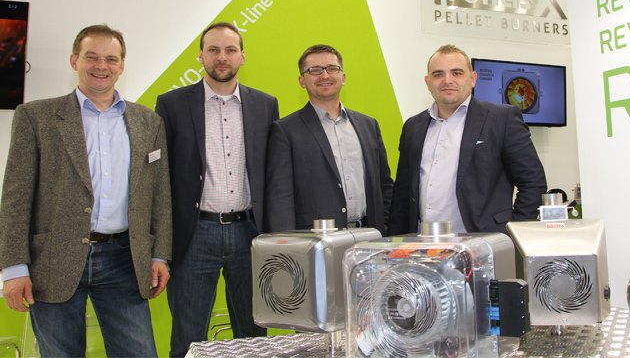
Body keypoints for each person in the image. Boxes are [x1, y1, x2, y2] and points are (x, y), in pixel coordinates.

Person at [0, 24, 172, 357]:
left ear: (122, 66)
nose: (101, 66)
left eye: (111, 59)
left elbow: (159, 196)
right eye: (91, 57)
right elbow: (15, 200)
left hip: (124, 259)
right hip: (54, 259)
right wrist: (14, 267)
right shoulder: (36, 117)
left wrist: (159, 255)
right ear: (74, 60)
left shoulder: (148, 122)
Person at [155, 22, 279, 357]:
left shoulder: (265, 105)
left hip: (249, 234)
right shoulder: (171, 104)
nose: (221, 57)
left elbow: (272, 174)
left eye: (229, 50)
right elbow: (160, 180)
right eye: (213, 50)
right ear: (200, 56)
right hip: (194, 236)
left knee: (254, 337)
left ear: (242, 57)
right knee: (188, 338)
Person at [388, 44, 546, 236]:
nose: (447, 80)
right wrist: (396, 242)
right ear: (428, 82)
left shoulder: (501, 119)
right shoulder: (413, 127)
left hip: (485, 243)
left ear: (473, 79)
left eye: (457, 73)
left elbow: (533, 183)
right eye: (438, 74)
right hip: (423, 244)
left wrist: (512, 234)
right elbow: (402, 192)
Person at [266, 44, 393, 233]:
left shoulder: (368, 125)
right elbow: (280, 196)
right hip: (316, 239)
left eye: (332, 68)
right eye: (315, 70)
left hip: (369, 236)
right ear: (302, 81)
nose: (325, 76)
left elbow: (384, 185)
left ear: (343, 77)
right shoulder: (285, 131)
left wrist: (386, 228)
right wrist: (287, 242)